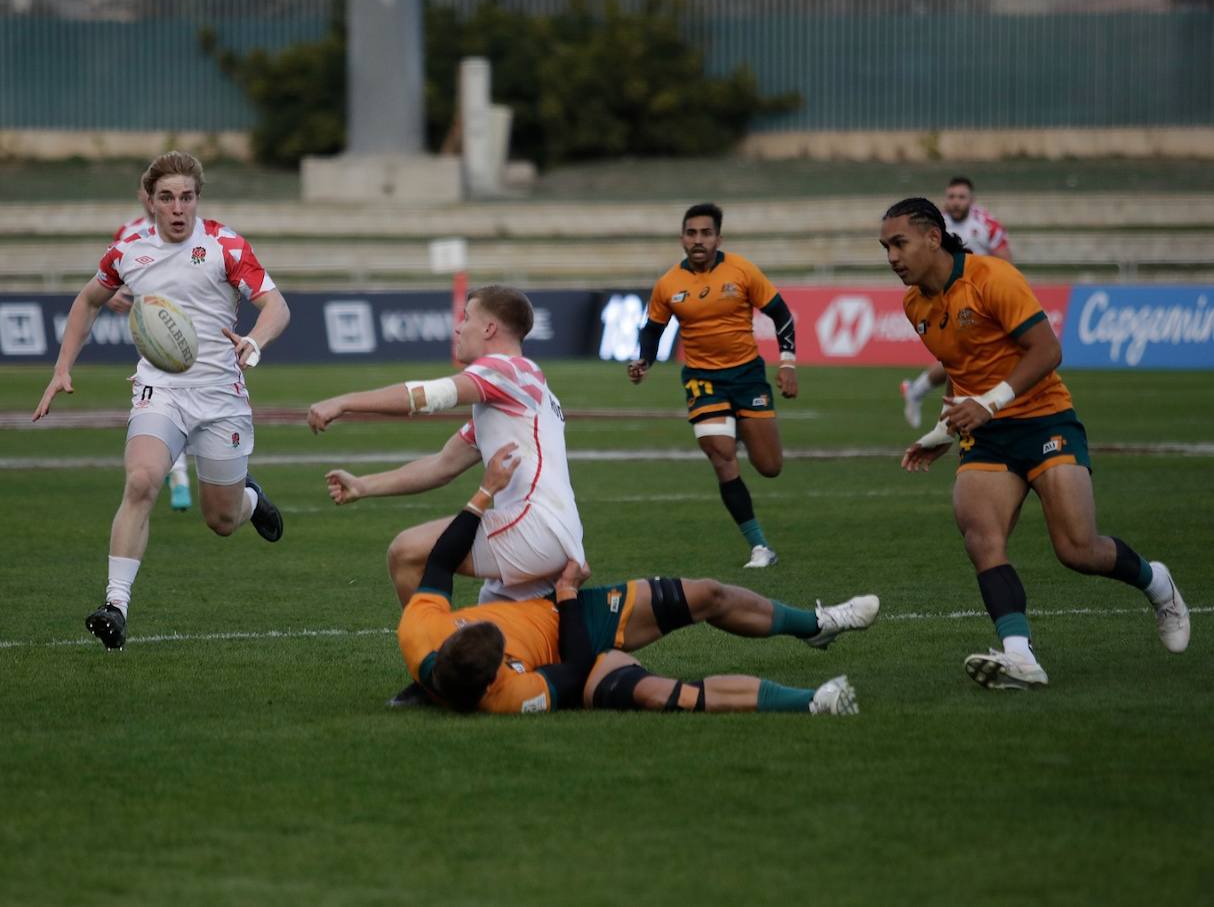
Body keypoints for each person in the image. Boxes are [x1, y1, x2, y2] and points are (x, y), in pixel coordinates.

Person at [880, 197, 1189, 690]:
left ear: (933, 238)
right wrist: (945, 430)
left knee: (1077, 548)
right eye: (885, 247)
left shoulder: (993, 277)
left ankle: (1157, 583)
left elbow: (1047, 349)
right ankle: (1020, 656)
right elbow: (961, 374)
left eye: (899, 243)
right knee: (981, 537)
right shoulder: (914, 304)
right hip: (986, 436)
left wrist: (990, 403)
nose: (892, 257)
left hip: (1045, 421)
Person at [32, 150, 291, 650]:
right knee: (142, 480)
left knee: (219, 520)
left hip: (220, 397)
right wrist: (63, 366)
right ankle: (115, 605)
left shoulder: (224, 244)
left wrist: (253, 341)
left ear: (198, 200)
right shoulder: (128, 249)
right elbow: (88, 300)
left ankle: (249, 500)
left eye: (187, 198)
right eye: (167, 198)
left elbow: (276, 306)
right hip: (160, 390)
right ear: (149, 202)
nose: (178, 208)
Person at [399, 445, 876, 715]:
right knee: (666, 695)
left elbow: (440, 560)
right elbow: (582, 665)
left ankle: (816, 624)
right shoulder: (513, 697)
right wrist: (566, 594)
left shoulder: (421, 633)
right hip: (574, 639)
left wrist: (486, 492)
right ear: (492, 681)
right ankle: (813, 702)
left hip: (559, 610)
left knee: (706, 593)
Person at [309, 284, 584, 606]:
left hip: (534, 528)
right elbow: (441, 466)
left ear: (489, 328)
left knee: (407, 552)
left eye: (466, 318)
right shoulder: (516, 390)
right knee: (492, 647)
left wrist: (343, 402)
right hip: (555, 534)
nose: (458, 327)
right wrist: (363, 486)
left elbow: (424, 397)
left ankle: (431, 646)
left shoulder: (505, 369)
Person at [628, 203, 797, 569]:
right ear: (682, 238)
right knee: (721, 455)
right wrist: (644, 361)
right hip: (703, 381)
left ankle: (738, 429)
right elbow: (653, 330)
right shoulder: (669, 283)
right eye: (691, 233)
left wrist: (787, 363)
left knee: (770, 466)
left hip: (748, 376)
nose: (698, 240)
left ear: (718, 237)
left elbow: (781, 314)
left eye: (706, 233)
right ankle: (760, 548)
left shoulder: (742, 270)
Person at [107, 177, 193, 512]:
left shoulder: (185, 232)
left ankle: (216, 474)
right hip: (153, 333)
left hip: (188, 330)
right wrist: (118, 295)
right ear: (144, 196)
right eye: (155, 194)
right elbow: (114, 277)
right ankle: (181, 477)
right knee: (167, 404)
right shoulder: (128, 233)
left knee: (183, 405)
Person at [900, 177, 1014, 428]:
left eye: (961, 197)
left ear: (971, 200)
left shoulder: (987, 224)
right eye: (951, 197)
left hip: (985, 299)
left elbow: (1006, 262)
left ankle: (921, 395)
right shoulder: (934, 226)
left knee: (963, 360)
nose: (955, 202)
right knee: (960, 359)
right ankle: (956, 420)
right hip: (949, 300)